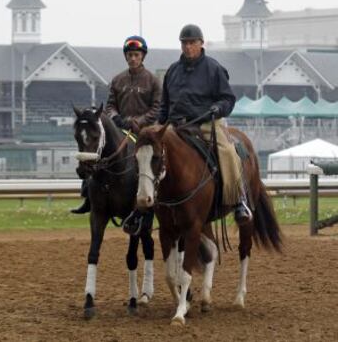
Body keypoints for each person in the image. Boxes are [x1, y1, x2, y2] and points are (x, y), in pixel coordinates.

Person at [158, 24, 252, 225]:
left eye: (192, 43)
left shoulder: (214, 68)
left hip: (206, 124)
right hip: (176, 127)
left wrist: (217, 108)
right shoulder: (172, 71)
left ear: (201, 44)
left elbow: (228, 99)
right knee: (149, 151)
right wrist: (158, 126)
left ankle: (238, 201)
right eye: (185, 43)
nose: (188, 47)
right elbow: (164, 104)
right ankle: (146, 205)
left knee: (227, 150)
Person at [72, 35, 161, 228]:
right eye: (129, 55)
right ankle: (88, 195)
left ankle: (151, 203)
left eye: (136, 55)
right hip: (120, 130)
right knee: (95, 154)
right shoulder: (117, 80)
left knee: (147, 164)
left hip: (144, 133)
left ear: (142, 56)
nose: (133, 58)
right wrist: (116, 118)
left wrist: (139, 121)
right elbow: (110, 106)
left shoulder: (153, 81)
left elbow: (156, 108)